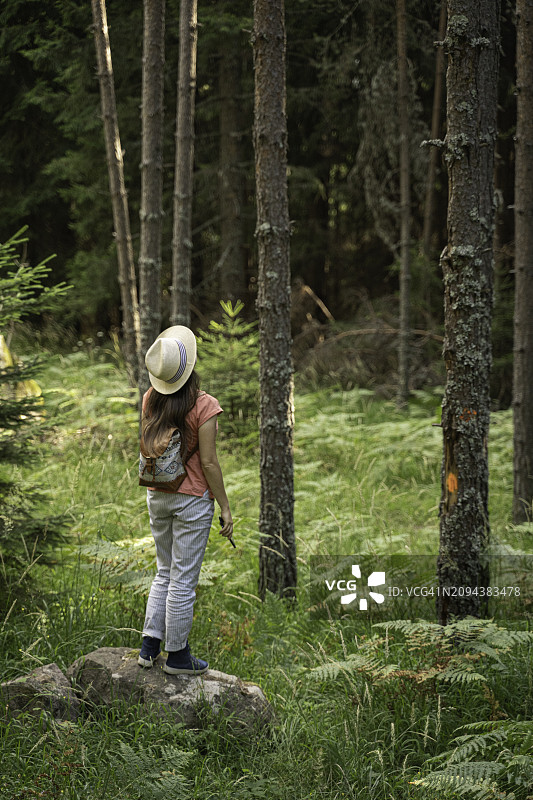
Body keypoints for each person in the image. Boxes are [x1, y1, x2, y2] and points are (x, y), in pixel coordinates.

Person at [137, 325, 233, 675]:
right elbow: (208, 462)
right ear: (189, 366)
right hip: (192, 501)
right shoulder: (205, 406)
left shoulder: (151, 398)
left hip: (157, 494)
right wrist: (224, 506)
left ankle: (149, 648)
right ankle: (177, 657)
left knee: (164, 571)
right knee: (183, 580)